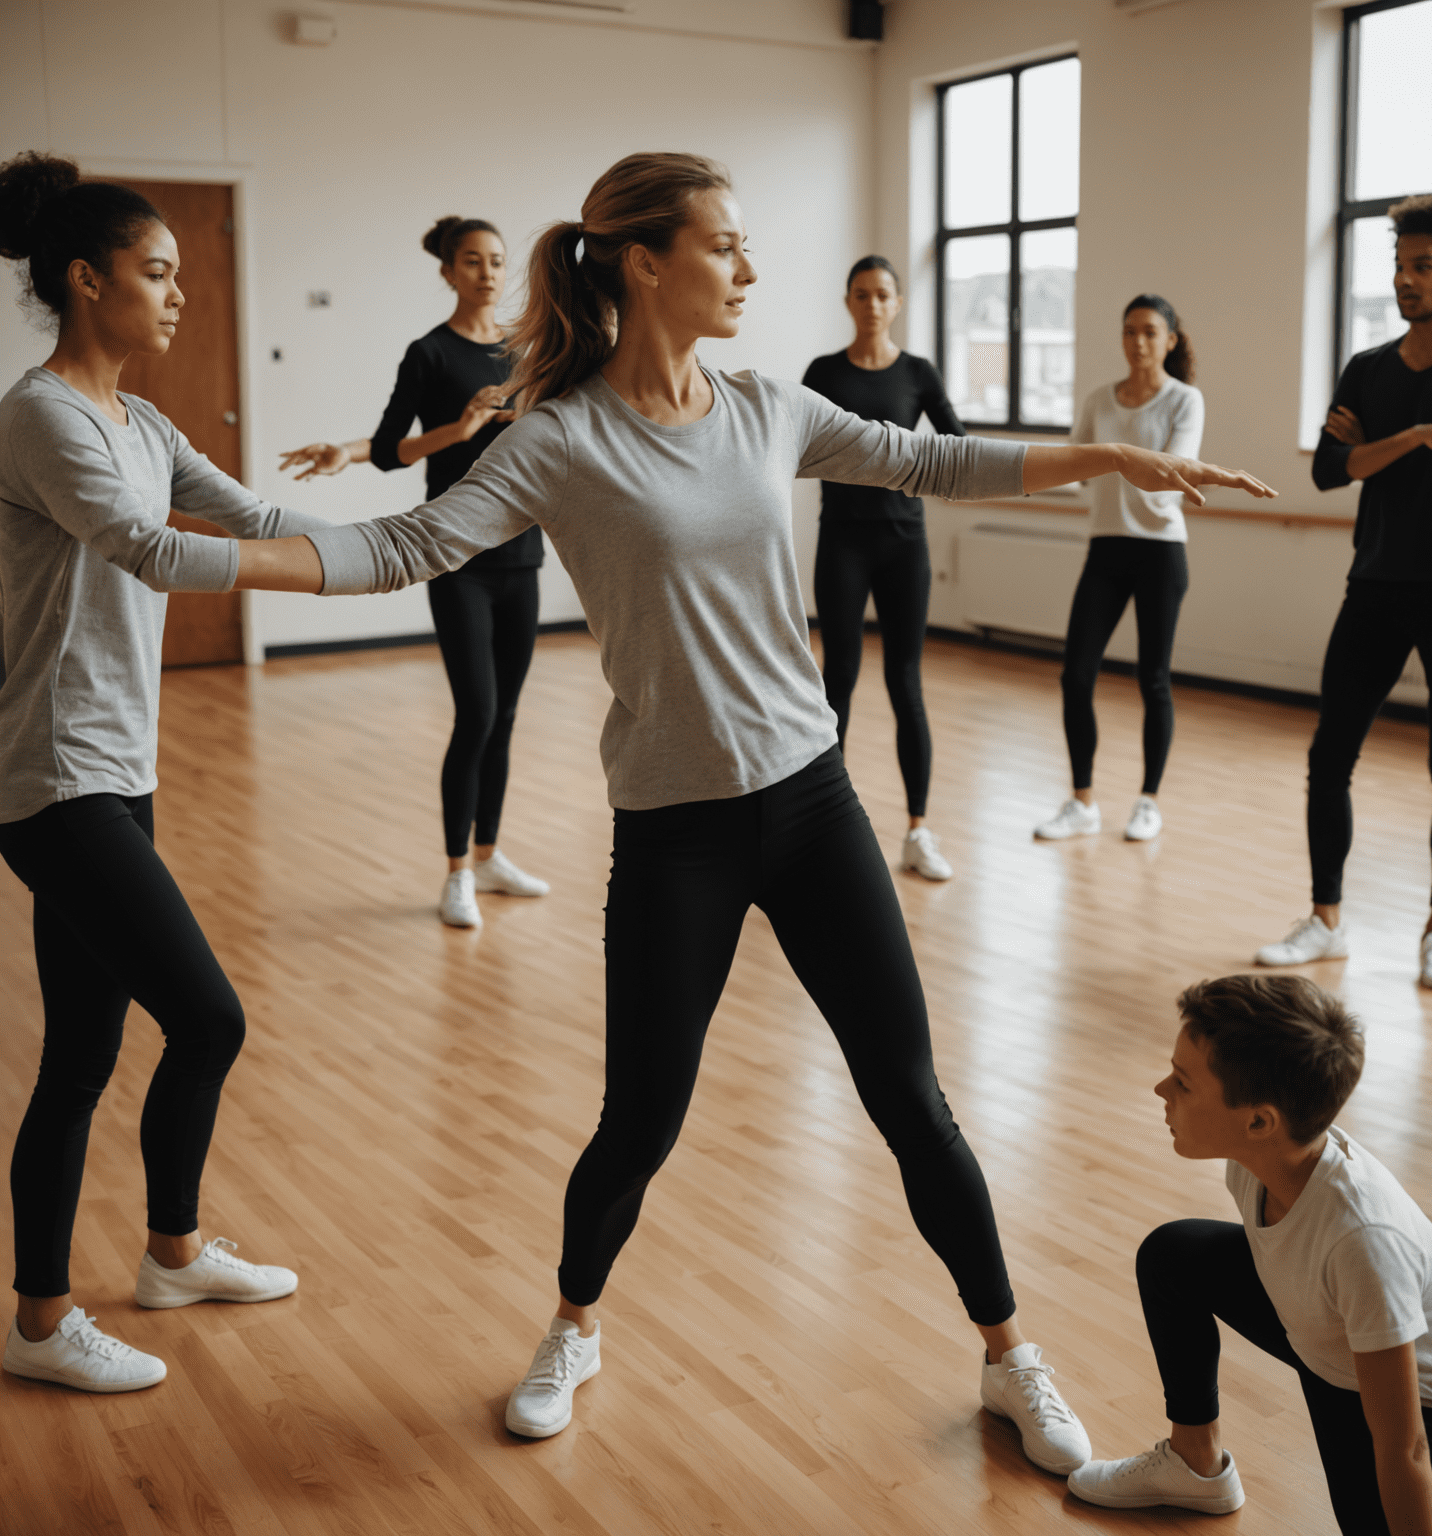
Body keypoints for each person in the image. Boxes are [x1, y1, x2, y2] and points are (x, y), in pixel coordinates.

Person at [214, 152, 1275, 1448]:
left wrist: (1117, 454)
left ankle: (1009, 1352)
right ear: (648, 261)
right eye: (727, 245)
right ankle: (574, 1323)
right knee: (641, 1121)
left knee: (912, 1100)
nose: (751, 269)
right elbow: (404, 542)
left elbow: (933, 462)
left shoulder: (770, 406)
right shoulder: (559, 438)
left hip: (814, 801)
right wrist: (209, 554)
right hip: (677, 829)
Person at [0, 152, 301, 1394]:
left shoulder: (141, 418)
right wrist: (318, 571)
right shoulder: (42, 413)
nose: (178, 295)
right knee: (209, 1017)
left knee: (81, 1052)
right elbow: (143, 546)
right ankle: (46, 1321)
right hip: (51, 774)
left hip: (119, 766)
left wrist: (420, 538)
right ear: (87, 279)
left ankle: (155, 1261)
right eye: (157, 272)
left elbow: (249, 517)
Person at [1069, 975, 1432, 1535]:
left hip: (1413, 1400)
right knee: (1174, 1257)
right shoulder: (1258, 1156)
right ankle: (1195, 1465)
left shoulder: (1362, 1241)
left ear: (1260, 1121)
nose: (1160, 1090)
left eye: (1184, 1083)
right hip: (1320, 1324)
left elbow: (1404, 1446)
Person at [1256, 194, 1432, 989]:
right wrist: (1413, 437)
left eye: (1423, 267)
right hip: (1375, 581)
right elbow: (1329, 469)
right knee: (1329, 754)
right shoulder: (1368, 370)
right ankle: (1326, 921)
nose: (1406, 279)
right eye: (1400, 265)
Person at [279, 215, 550, 929]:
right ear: (448, 272)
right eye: (472, 261)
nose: (488, 272)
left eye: (496, 260)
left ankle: (490, 855)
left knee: (509, 717)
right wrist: (457, 432)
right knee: (478, 713)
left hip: (521, 553)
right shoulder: (428, 353)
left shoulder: (528, 350)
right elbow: (394, 447)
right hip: (455, 556)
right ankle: (456, 871)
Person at [802, 256, 965, 880]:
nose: (872, 305)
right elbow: (799, 443)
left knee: (906, 682)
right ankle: (823, 831)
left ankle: (919, 831)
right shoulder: (823, 372)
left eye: (883, 295)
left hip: (904, 543)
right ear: (849, 302)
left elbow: (954, 444)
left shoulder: (918, 373)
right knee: (837, 678)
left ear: (897, 304)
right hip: (842, 541)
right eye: (862, 295)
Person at [1034, 295, 1203, 844]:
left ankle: (1148, 802)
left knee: (1153, 680)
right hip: (1106, 547)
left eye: (1150, 332)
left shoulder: (1185, 401)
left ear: (1170, 340)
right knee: (1075, 674)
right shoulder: (1098, 399)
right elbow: (1074, 465)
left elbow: (1167, 475)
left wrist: (1109, 458)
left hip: (1159, 551)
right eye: (1130, 331)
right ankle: (1082, 801)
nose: (1138, 342)